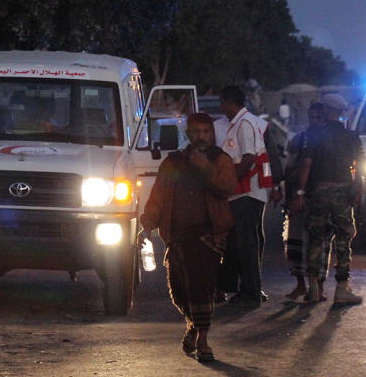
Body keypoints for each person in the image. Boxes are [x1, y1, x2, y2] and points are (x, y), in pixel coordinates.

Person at [140, 113, 237, 362]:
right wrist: (148, 223)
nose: (201, 136)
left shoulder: (220, 160)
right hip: (179, 236)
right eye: (196, 132)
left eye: (206, 132)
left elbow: (228, 188)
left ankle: (203, 339)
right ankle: (193, 325)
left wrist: (204, 167)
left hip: (208, 236)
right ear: (188, 134)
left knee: (202, 287)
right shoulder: (173, 163)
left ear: (212, 134)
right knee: (181, 290)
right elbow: (158, 196)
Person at [290, 93, 366, 305]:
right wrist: (359, 189)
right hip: (343, 193)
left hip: (319, 193)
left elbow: (306, 165)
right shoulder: (352, 137)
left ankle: (313, 287)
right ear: (341, 112)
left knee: (316, 238)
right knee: (343, 240)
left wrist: (299, 193)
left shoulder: (315, 135)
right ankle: (342, 289)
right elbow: (361, 166)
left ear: (325, 111)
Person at [215, 85, 275, 308]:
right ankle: (244, 289)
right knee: (242, 243)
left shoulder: (244, 124)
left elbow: (249, 158)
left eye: (223, 103)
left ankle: (250, 292)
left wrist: (230, 182)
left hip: (247, 192)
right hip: (246, 193)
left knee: (247, 244)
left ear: (232, 102)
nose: (222, 108)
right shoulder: (243, 123)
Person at [283, 102, 328, 301]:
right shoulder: (299, 140)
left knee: (321, 243)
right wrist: (291, 197)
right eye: (312, 117)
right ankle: (301, 285)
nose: (314, 121)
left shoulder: (330, 141)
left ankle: (318, 287)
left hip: (322, 199)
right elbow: (289, 168)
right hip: (300, 199)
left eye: (318, 117)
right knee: (296, 242)